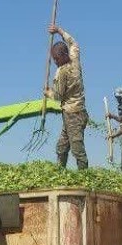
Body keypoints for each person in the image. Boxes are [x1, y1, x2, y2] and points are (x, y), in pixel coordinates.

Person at [45, 24, 89, 170]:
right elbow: (73, 43)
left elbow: (57, 96)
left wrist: (47, 92)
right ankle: (60, 171)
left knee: (77, 149)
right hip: (76, 112)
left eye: (57, 59)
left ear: (64, 55)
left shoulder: (61, 72)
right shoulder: (74, 58)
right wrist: (59, 31)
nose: (55, 62)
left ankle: (84, 176)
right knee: (62, 147)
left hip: (73, 115)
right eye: (54, 59)